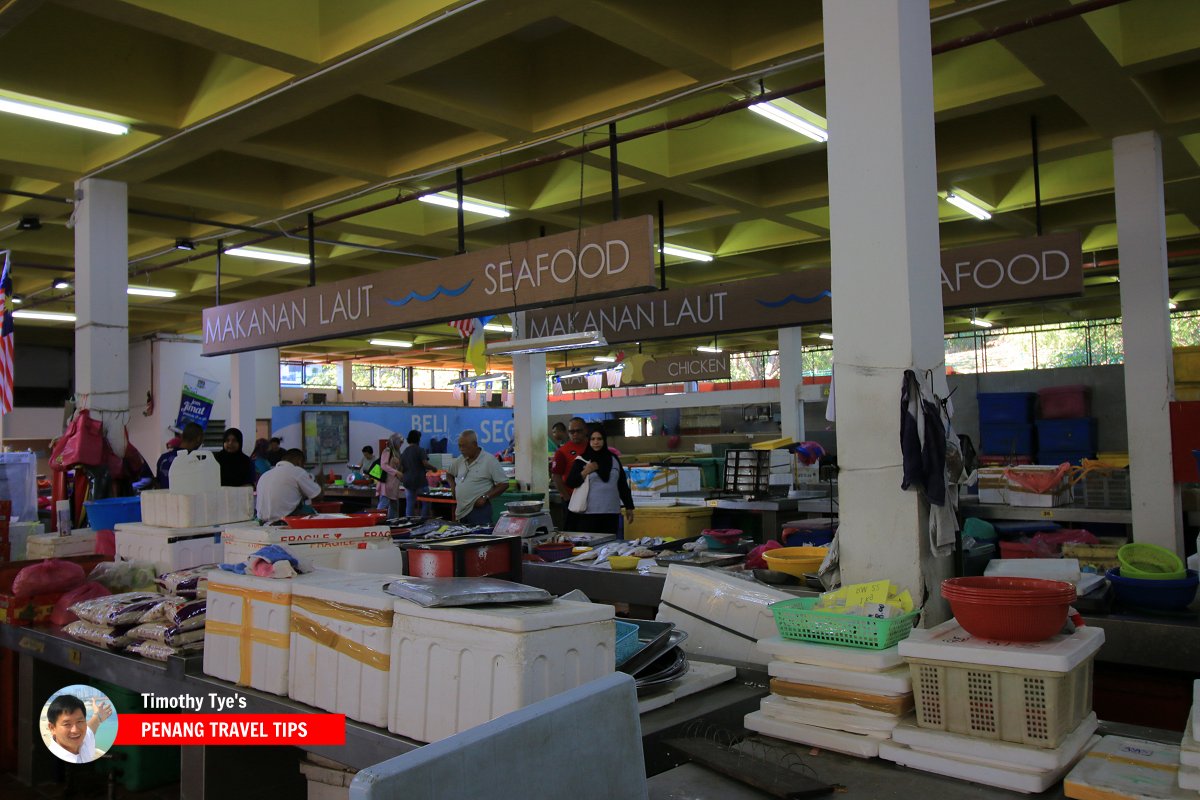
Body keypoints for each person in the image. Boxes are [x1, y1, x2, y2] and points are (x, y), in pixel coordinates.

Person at [566, 424, 635, 537]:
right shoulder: (583, 460)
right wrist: (585, 472)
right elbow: (571, 482)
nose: (596, 442)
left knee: (609, 545)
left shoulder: (613, 459)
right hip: (589, 514)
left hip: (611, 513)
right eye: (593, 439)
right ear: (589, 441)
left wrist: (629, 507)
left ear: (604, 440)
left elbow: (621, 484)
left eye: (599, 439)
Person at [446, 429, 508, 526]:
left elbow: (504, 484)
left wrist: (485, 497)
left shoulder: (489, 460)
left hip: (479, 512)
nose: (461, 449)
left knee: (480, 538)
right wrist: (453, 487)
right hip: (461, 511)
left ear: (474, 445)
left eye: (464, 446)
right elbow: (449, 474)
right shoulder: (460, 459)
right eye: (459, 446)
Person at [255, 448, 323, 522]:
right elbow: (318, 496)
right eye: (303, 465)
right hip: (284, 520)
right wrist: (319, 481)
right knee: (311, 511)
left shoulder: (265, 475)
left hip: (262, 521)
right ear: (299, 462)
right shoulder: (297, 471)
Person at [44, 693, 111, 764]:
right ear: (52, 728)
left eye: (79, 721)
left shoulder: (85, 741)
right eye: (67, 724)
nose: (75, 730)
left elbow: (91, 727)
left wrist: (98, 716)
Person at [550, 417, 589, 530]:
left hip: (592, 500)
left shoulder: (593, 447)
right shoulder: (562, 452)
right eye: (572, 432)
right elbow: (556, 477)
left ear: (585, 430)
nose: (575, 434)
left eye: (578, 431)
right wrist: (567, 499)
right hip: (572, 500)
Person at [154, 422, 204, 489]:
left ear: (182, 436)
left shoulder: (163, 458)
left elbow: (157, 483)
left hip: (164, 498)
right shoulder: (194, 461)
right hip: (184, 499)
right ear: (198, 438)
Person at [400, 430, 436, 518]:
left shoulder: (404, 452)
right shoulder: (420, 450)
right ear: (418, 439)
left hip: (408, 481)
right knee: (426, 501)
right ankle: (424, 520)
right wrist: (434, 468)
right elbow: (425, 464)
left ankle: (409, 521)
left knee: (410, 504)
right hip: (420, 481)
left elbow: (401, 468)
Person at [379, 434, 405, 518]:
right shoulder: (387, 451)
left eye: (402, 443)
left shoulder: (397, 453)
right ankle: (377, 522)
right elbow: (383, 465)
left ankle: (392, 524)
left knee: (394, 507)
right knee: (383, 505)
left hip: (394, 484)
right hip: (386, 483)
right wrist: (396, 472)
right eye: (400, 442)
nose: (401, 444)